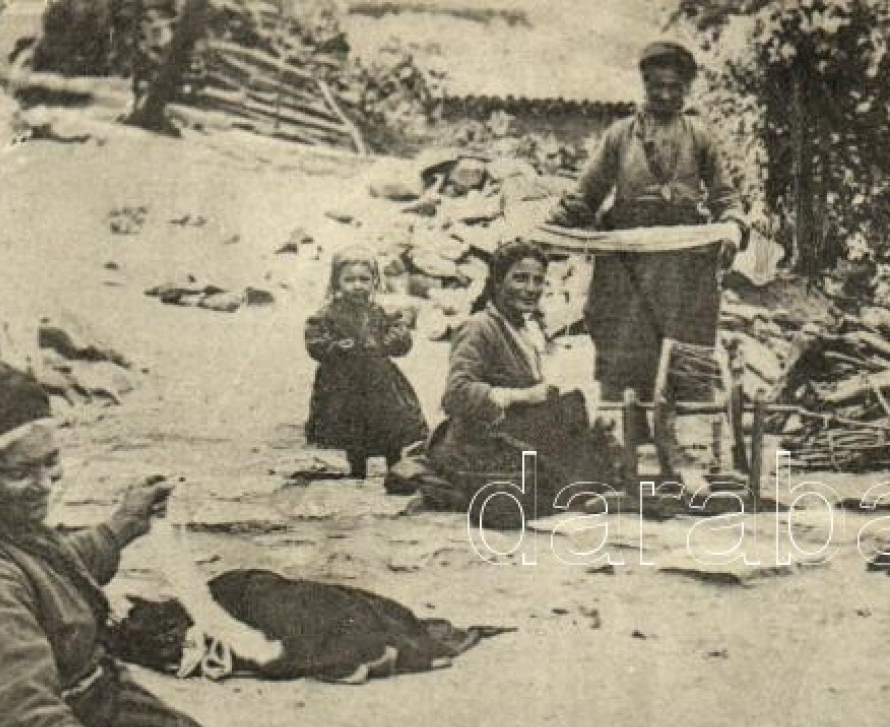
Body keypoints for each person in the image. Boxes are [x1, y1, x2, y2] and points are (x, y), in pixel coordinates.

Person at [0, 360, 321, 727]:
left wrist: (123, 525)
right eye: (18, 472)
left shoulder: (9, 529)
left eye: (50, 463)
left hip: (97, 708)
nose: (43, 485)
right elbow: (28, 723)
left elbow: (55, 569)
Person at [546, 39, 748, 485]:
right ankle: (623, 453)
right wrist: (552, 226)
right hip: (628, 262)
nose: (665, 95)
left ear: (687, 90)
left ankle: (690, 451)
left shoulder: (701, 137)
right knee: (624, 346)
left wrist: (732, 225)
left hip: (684, 263)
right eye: (656, 86)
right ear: (644, 84)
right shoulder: (620, 136)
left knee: (687, 354)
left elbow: (726, 197)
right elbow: (586, 193)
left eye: (675, 88)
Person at [412, 240, 614, 523]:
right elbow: (456, 395)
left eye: (538, 281)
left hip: (511, 432)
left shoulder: (527, 329)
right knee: (567, 466)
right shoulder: (478, 327)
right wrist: (524, 396)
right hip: (478, 443)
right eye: (520, 278)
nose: (530, 288)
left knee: (579, 417)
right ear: (497, 280)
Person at [305, 246, 428, 479]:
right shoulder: (328, 314)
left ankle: (395, 467)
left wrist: (389, 340)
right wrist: (336, 348)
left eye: (364, 279)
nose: (357, 285)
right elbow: (315, 341)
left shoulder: (378, 312)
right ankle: (356, 468)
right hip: (344, 383)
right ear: (336, 283)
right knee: (353, 427)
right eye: (349, 280)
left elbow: (399, 336)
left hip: (379, 381)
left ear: (374, 281)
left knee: (389, 423)